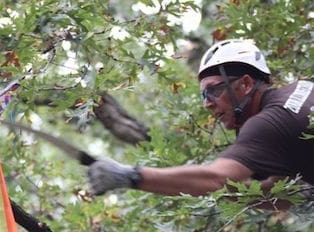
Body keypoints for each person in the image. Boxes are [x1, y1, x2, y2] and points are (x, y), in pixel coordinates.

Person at [87, 39, 314, 210]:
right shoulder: (301, 89)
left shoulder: (266, 124)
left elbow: (215, 178)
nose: (207, 104)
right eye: (203, 95)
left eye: (214, 90)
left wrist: (131, 176)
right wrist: (230, 194)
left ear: (245, 84)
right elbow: (287, 193)